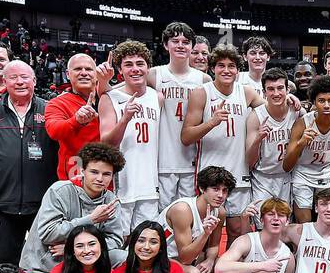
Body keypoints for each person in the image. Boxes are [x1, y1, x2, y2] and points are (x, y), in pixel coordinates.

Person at [18, 141, 128, 273]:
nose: (100, 178)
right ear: (82, 171)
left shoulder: (110, 200)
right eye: (94, 172)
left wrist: (74, 248)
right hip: (45, 270)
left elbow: (115, 240)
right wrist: (91, 219)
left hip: (81, 264)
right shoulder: (60, 190)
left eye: (106, 174)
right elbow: (48, 234)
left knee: (124, 257)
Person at [0, 60, 59, 268]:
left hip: (43, 205)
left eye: (24, 77)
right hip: (1, 204)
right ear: (4, 82)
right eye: (13, 77)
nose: (19, 82)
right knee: (5, 262)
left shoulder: (51, 110)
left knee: (46, 262)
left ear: (34, 80)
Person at [181, 44, 264, 237]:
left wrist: (291, 99)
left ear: (238, 69)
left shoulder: (247, 92)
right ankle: (206, 265)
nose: (226, 70)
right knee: (205, 229)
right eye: (221, 65)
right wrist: (211, 122)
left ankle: (231, 266)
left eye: (231, 66)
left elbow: (272, 109)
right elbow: (186, 137)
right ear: (213, 68)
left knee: (236, 229)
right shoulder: (202, 93)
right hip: (209, 171)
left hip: (239, 170)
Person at [97, 40, 163, 230]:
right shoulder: (109, 98)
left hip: (150, 184)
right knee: (120, 239)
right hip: (123, 184)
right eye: (128, 64)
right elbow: (106, 144)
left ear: (148, 67)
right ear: (120, 70)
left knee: (145, 238)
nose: (135, 69)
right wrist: (125, 119)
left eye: (140, 63)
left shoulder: (157, 97)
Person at [150, 22, 209, 208]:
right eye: (175, 41)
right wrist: (103, 84)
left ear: (192, 47)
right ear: (166, 45)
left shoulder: (203, 80)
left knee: (188, 216)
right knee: (162, 216)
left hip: (191, 161)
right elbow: (123, 90)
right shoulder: (154, 75)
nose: (181, 45)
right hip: (162, 160)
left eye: (185, 41)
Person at [284, 75, 330, 222]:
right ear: (314, 102)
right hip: (302, 174)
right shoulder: (302, 123)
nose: (326, 105)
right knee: (304, 227)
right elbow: (286, 165)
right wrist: (301, 143)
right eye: (321, 101)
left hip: (326, 174)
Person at [159, 164, 234, 273]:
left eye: (225, 190)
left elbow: (214, 245)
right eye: (215, 189)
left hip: (183, 260)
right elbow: (185, 258)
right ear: (202, 188)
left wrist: (209, 261)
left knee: (224, 265)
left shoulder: (220, 212)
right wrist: (205, 234)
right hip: (157, 259)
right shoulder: (182, 210)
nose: (221, 195)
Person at [44, 52, 104, 180]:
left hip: (107, 173)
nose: (83, 73)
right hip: (76, 175)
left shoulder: (109, 98)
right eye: (77, 69)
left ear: (96, 74)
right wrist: (76, 121)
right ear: (67, 74)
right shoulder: (57, 102)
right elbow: (53, 131)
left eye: (88, 69)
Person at [248, 68, 299, 214]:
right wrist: (258, 139)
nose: (276, 93)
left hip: (287, 176)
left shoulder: (296, 112)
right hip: (262, 177)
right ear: (264, 93)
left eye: (280, 88)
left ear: (288, 89)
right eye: (270, 89)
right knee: (263, 223)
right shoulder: (256, 116)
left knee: (284, 224)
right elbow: (249, 161)